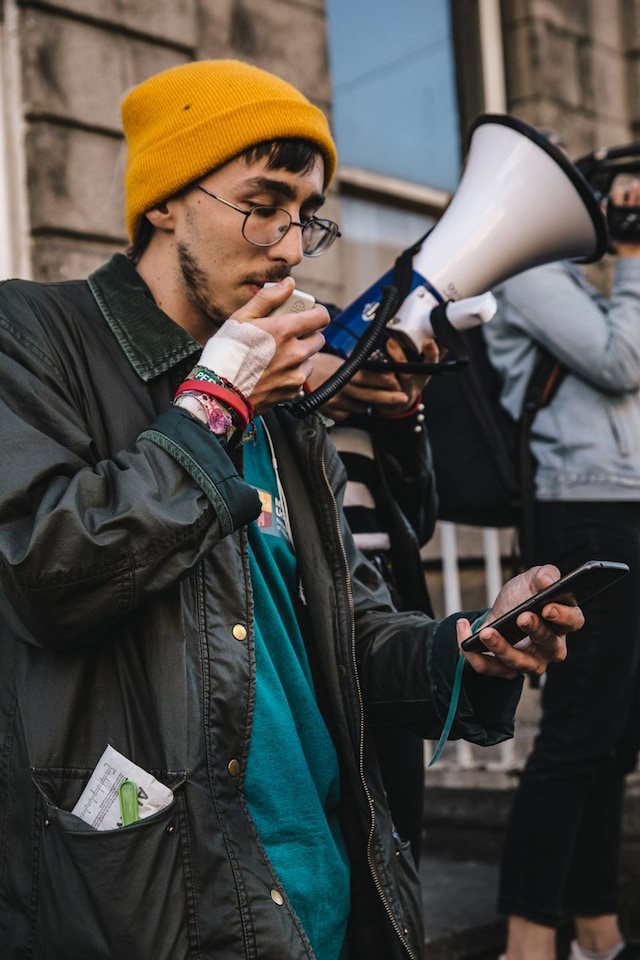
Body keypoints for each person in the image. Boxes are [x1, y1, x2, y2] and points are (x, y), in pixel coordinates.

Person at [0, 58, 583, 960]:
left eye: (304, 217)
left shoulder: (285, 408)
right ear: (164, 199)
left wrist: (470, 648)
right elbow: (47, 568)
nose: (285, 244)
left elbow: (348, 636)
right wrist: (219, 400)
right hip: (158, 902)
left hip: (324, 896)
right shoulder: (33, 334)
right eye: (262, 202)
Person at [484, 177, 640, 960]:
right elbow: (621, 360)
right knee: (578, 734)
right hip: (583, 510)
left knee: (615, 738)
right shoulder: (530, 273)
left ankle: (595, 930)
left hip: (622, 503)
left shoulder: (582, 286)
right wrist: (639, 255)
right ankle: (527, 942)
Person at [307, 337, 439, 866]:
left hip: (380, 597)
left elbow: (417, 518)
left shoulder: (340, 339)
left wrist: (403, 407)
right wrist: (298, 388)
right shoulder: (242, 353)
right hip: (301, 598)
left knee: (399, 829)